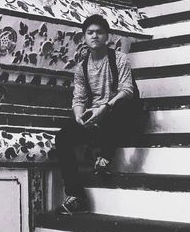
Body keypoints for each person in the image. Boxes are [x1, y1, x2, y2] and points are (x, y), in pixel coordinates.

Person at [56, 14, 135, 215]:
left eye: (99, 32)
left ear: (107, 37)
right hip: (97, 121)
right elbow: (79, 99)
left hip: (119, 117)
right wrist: (79, 117)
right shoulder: (81, 68)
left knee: (119, 106)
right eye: (90, 33)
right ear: (84, 37)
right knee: (63, 136)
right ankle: (76, 196)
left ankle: (105, 158)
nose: (94, 36)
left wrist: (105, 108)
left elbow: (127, 90)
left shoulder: (119, 59)